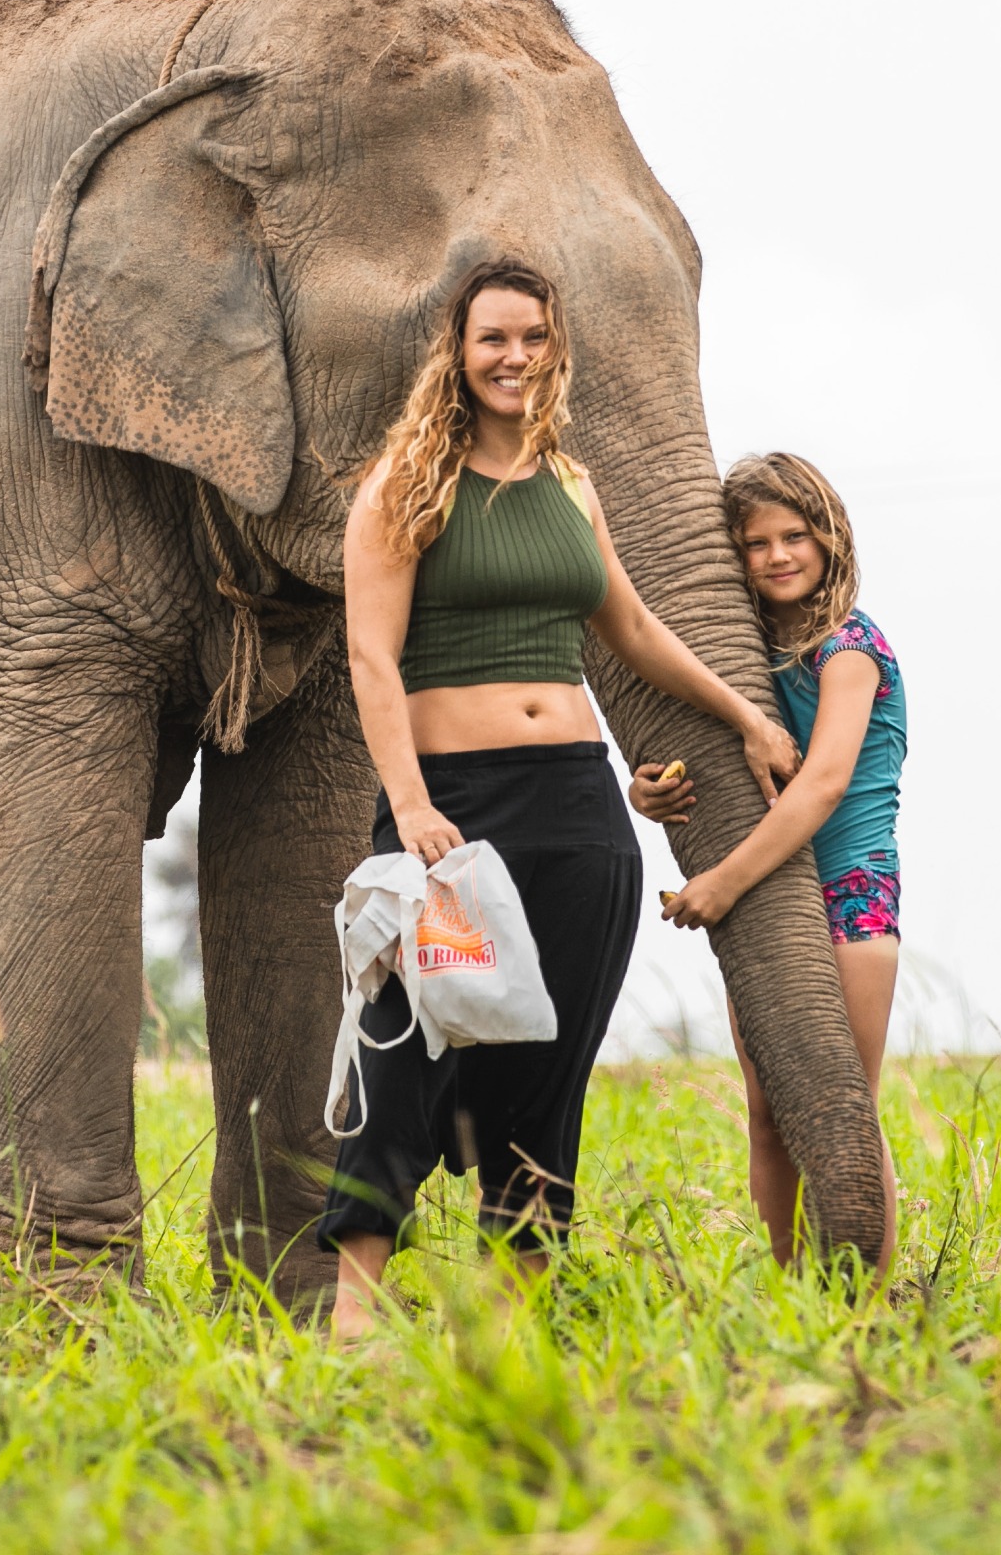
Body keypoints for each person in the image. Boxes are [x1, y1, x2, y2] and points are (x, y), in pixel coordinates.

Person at [323, 259, 800, 1340]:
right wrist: (410, 804)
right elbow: (369, 657)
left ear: (556, 347)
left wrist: (744, 713)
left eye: (534, 337)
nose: (515, 357)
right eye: (494, 338)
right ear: (458, 351)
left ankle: (510, 1330)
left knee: (546, 1078)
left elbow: (629, 627)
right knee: (404, 1054)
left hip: (580, 811)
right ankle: (355, 1319)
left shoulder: (571, 483)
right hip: (452, 814)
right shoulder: (404, 482)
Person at [631, 452, 909, 1267]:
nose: (778, 556)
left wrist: (721, 881)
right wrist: (646, 790)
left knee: (842, 1109)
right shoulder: (748, 655)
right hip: (775, 897)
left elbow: (823, 784)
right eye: (756, 543)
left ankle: (867, 1298)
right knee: (768, 1111)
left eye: (795, 537)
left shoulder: (850, 647)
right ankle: (790, 1293)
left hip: (851, 892)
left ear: (829, 539)